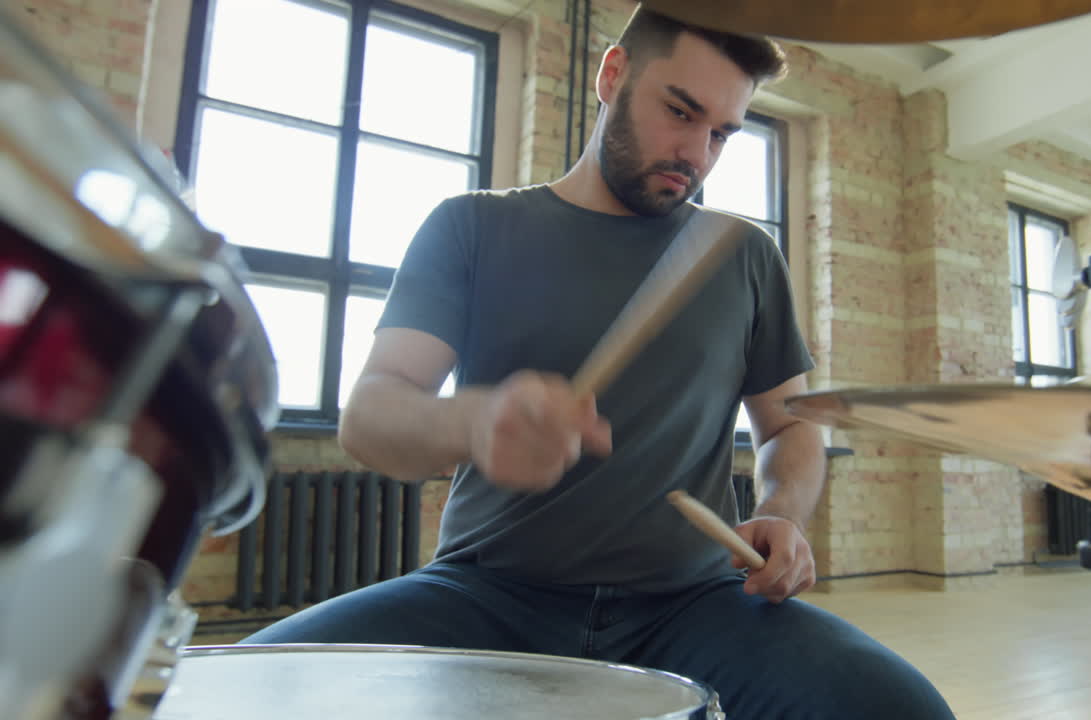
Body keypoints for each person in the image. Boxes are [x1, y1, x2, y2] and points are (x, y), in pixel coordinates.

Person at [243, 5, 955, 718]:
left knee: (904, 709)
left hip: (694, 603)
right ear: (612, 75)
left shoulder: (743, 257)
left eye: (721, 134)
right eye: (679, 112)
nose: (696, 154)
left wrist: (782, 512)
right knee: (236, 696)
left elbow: (790, 429)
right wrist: (474, 421)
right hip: (487, 596)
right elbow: (370, 417)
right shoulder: (471, 227)